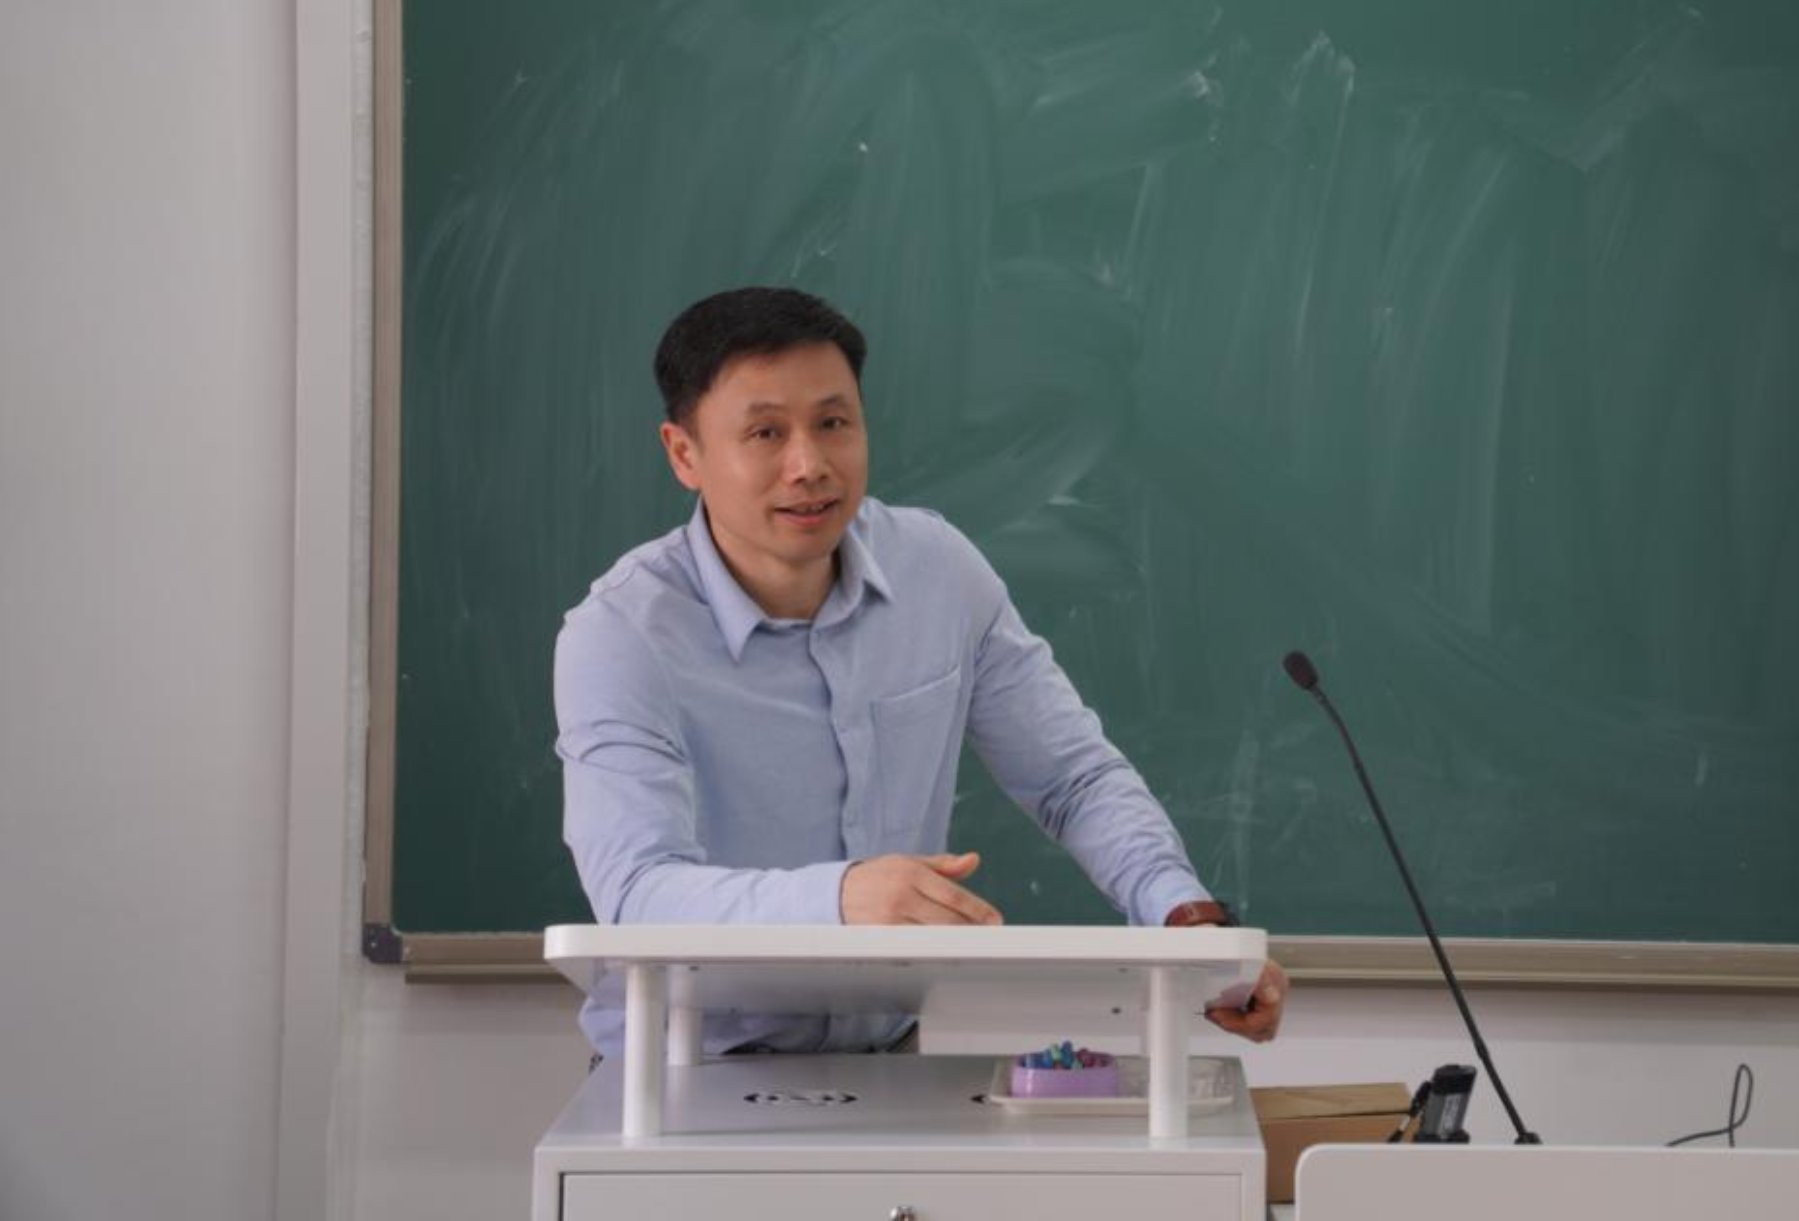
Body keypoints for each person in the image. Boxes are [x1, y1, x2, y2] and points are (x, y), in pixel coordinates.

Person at [554, 286, 1286, 1059]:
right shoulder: (620, 635)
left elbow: (1072, 778)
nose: (808, 465)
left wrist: (1186, 921)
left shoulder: (937, 571)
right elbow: (636, 893)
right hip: (675, 1072)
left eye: (833, 423)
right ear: (684, 454)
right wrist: (839, 898)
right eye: (765, 432)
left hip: (886, 1062)